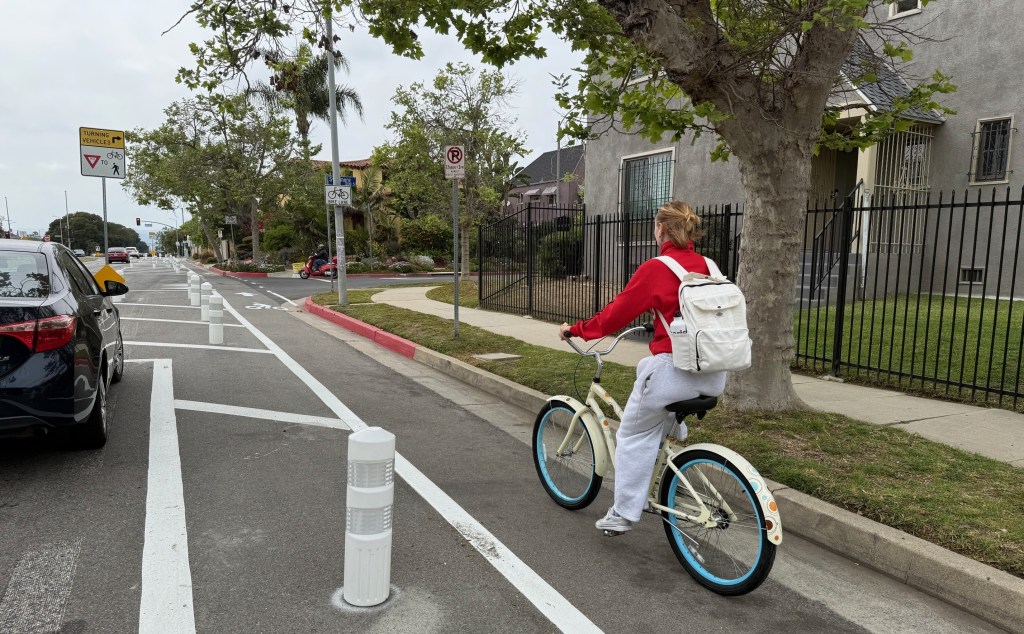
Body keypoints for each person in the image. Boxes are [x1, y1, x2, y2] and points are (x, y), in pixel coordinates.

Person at [559, 201, 727, 534]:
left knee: (631, 435)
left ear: (661, 228)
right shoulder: (710, 265)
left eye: (655, 226)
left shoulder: (656, 267)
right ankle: (670, 434)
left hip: (674, 374)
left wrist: (574, 330)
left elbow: (614, 316)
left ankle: (622, 513)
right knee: (649, 389)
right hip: (714, 372)